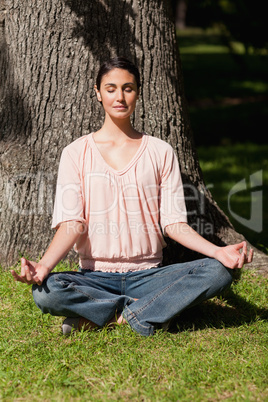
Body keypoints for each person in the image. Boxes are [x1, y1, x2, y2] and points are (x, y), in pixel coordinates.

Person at [11, 57, 253, 336]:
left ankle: (105, 316)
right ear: (98, 92)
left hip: (151, 275)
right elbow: (72, 223)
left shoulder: (160, 151)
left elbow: (174, 225)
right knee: (46, 291)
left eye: (128, 88)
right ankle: (147, 312)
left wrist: (218, 251)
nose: (120, 96)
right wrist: (42, 267)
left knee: (218, 272)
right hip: (94, 278)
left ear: (137, 92)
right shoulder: (76, 153)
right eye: (111, 88)